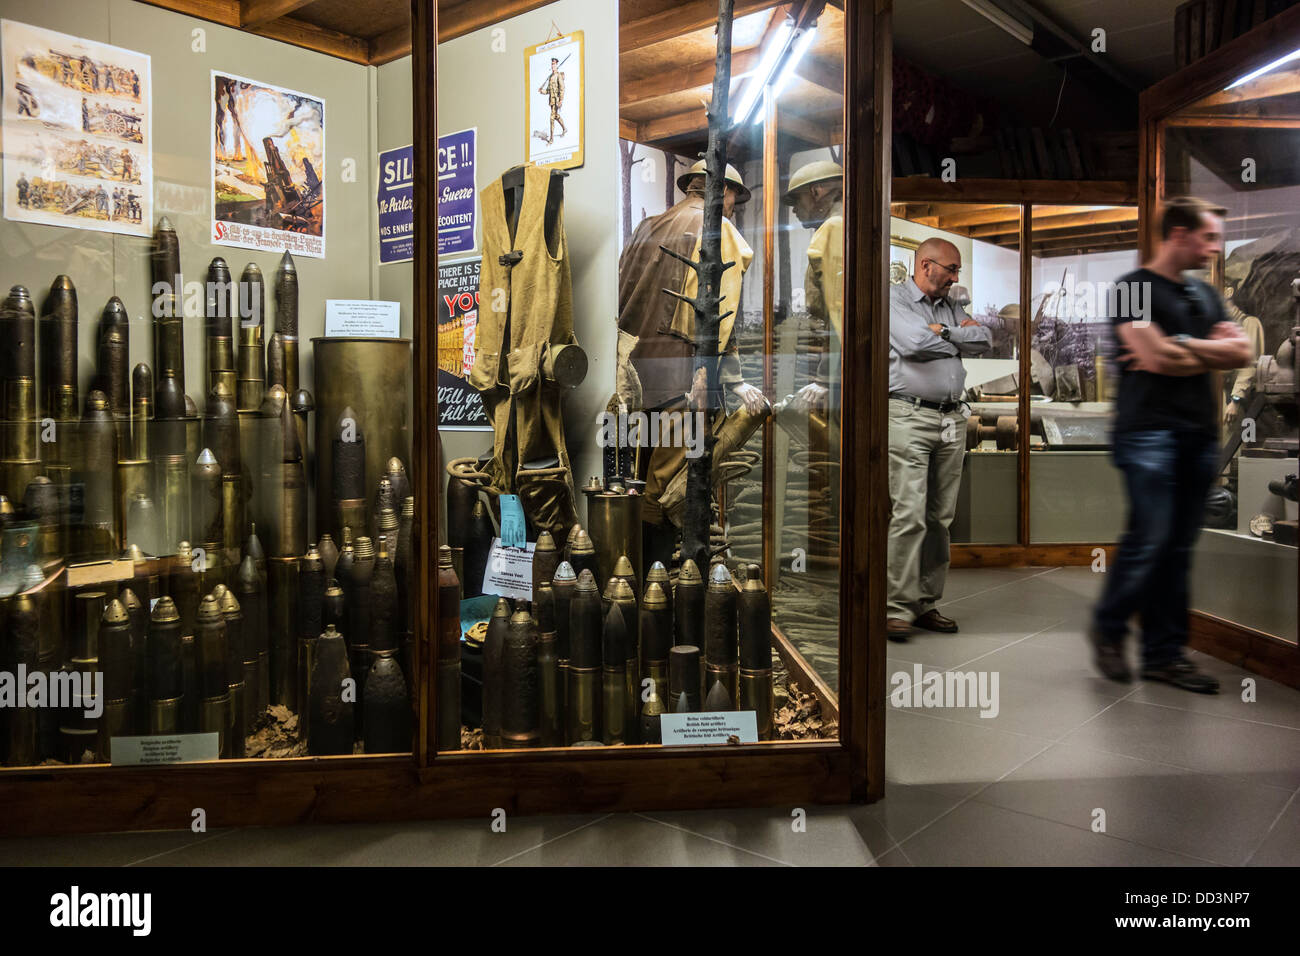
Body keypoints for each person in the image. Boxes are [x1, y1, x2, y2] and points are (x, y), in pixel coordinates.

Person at [1090, 197, 1252, 693]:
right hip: (1147, 434)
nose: (1214, 248)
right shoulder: (1132, 289)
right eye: (1207, 238)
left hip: (1198, 436)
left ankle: (1164, 654)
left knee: (1178, 547)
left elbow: (1242, 349)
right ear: (1178, 235)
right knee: (1152, 537)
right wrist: (1204, 350)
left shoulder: (1206, 296)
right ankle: (1110, 628)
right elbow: (1154, 357)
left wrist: (1178, 348)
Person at [617, 159, 765, 552]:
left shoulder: (646, 228)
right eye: (735, 197)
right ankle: (664, 580)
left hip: (631, 375)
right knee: (667, 485)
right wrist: (732, 380)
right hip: (683, 379)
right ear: (726, 192)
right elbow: (721, 314)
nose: (733, 207)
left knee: (636, 472)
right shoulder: (720, 230)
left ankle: (637, 573)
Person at [886, 237, 992, 641]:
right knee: (909, 514)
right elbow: (913, 344)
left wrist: (944, 330)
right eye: (951, 269)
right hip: (909, 415)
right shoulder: (895, 300)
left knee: (939, 518)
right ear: (926, 265)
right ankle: (896, 608)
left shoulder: (951, 306)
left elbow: (983, 339)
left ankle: (925, 603)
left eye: (958, 270)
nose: (955, 277)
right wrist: (954, 338)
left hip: (952, 419)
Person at [783, 160, 843, 415]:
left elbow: (842, 314)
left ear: (817, 192)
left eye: (798, 199)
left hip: (841, 372)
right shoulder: (843, 224)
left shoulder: (834, 227)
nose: (795, 209)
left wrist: (827, 378)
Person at [538, 57, 567, 145]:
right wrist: (541, 91)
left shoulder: (558, 76)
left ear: (557, 65)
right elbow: (548, 91)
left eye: (554, 64)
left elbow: (562, 88)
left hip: (557, 101)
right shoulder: (550, 77)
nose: (553, 65)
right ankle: (564, 129)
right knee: (556, 116)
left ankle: (551, 139)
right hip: (551, 101)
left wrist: (561, 100)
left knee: (551, 118)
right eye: (552, 64)